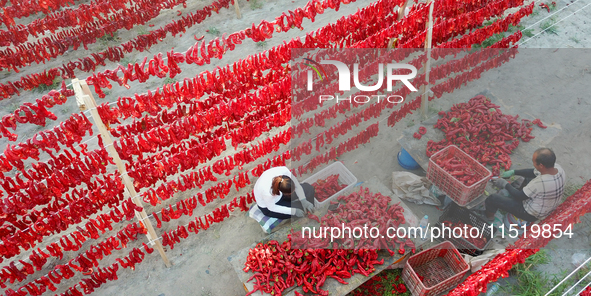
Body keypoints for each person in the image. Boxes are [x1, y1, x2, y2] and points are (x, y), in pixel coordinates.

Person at [483, 148, 566, 223]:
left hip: (530, 213)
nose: (533, 163)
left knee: (493, 199)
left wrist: (505, 184)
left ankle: (489, 218)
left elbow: (520, 196)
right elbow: (533, 172)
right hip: (546, 205)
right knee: (528, 178)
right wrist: (514, 172)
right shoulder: (558, 169)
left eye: (533, 161)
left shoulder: (540, 183)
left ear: (541, 165)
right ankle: (513, 198)